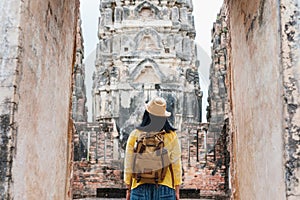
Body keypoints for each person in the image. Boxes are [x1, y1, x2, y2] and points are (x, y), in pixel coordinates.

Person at [124, 97, 182, 200]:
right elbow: (176, 165)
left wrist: (128, 188)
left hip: (139, 185)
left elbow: (129, 164)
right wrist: (177, 189)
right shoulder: (171, 136)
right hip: (165, 186)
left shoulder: (135, 134)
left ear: (147, 114)